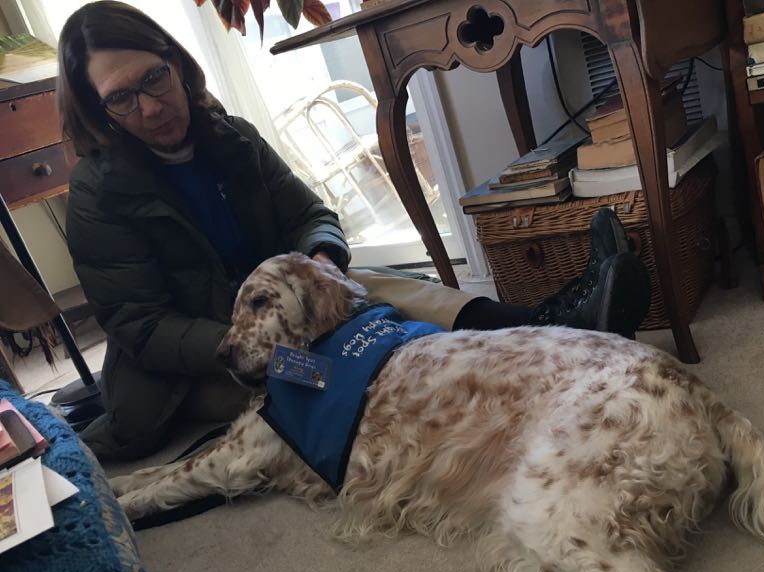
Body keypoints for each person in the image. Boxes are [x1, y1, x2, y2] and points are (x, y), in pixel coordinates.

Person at [57, 1, 652, 461]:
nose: (151, 106)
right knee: (354, 369)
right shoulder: (96, 194)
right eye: (122, 99)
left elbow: (308, 214)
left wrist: (321, 260)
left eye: (154, 78)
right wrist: (260, 339)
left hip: (279, 307)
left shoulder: (230, 136)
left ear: (177, 65)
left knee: (374, 286)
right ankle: (531, 354)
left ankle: (551, 322)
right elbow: (143, 328)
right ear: (96, 111)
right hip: (207, 363)